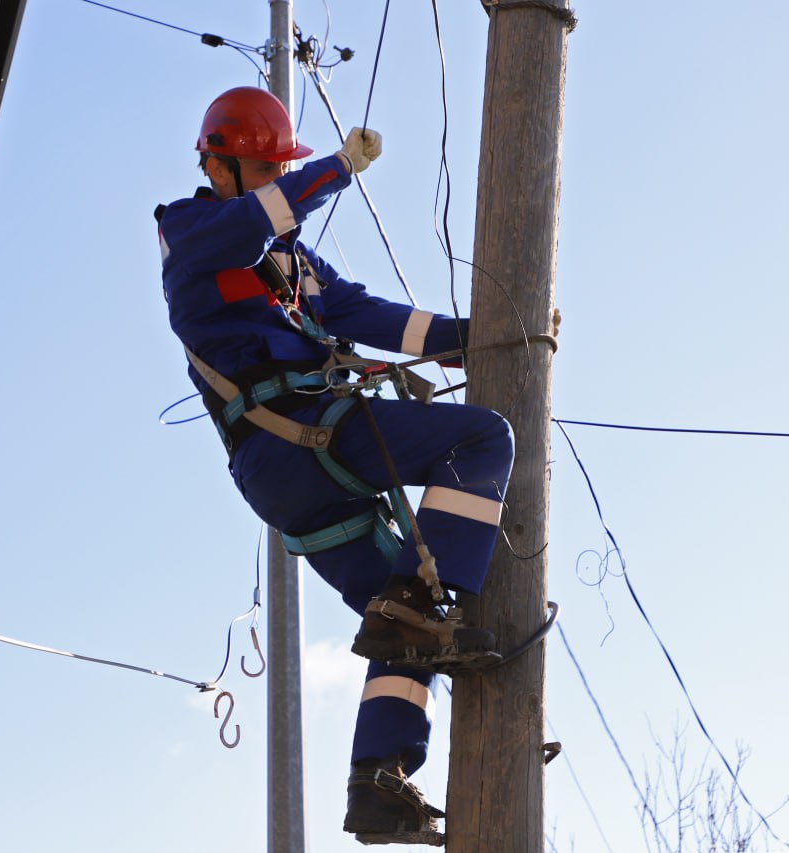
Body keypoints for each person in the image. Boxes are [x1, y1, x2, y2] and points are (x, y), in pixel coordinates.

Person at [156, 86, 514, 844]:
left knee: (409, 623)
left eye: (277, 169)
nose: (273, 180)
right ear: (216, 167)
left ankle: (378, 782)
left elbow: (362, 312)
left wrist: (473, 339)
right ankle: (417, 612)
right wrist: (337, 168)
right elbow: (254, 221)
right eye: (262, 168)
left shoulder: (293, 262)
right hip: (294, 435)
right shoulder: (189, 234)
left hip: (291, 466)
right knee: (482, 441)